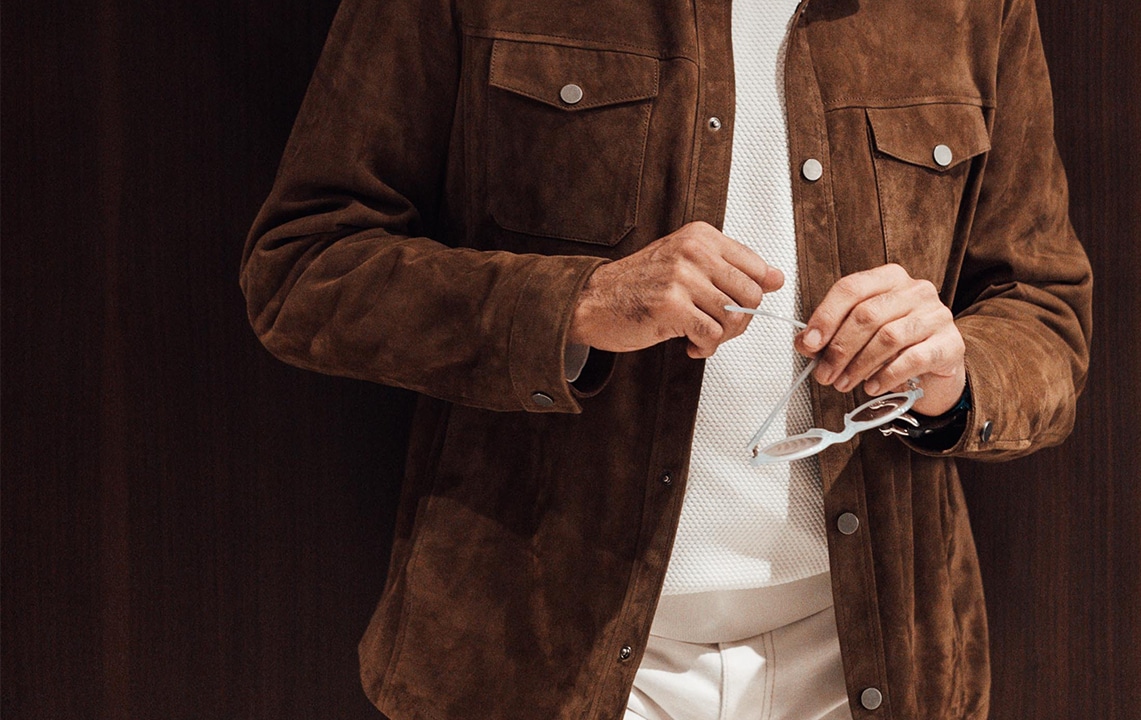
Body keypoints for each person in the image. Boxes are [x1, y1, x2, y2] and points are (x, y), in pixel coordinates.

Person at [241, 0, 1092, 718]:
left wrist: (954, 373)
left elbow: (1043, 313)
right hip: (541, 656)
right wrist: (576, 304)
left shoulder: (971, 8)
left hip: (870, 660)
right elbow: (305, 266)